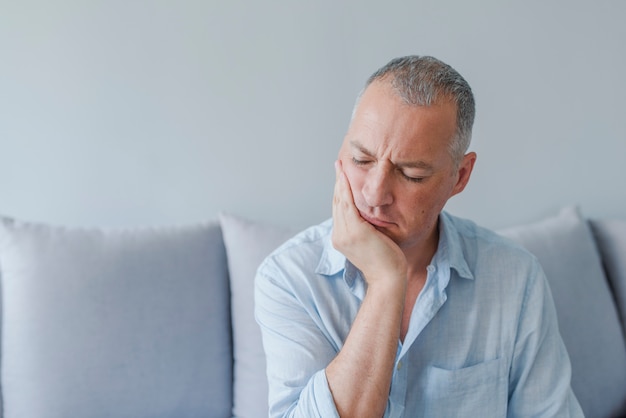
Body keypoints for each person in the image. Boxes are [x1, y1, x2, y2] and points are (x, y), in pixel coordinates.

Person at [255, 55, 583, 417]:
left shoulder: (517, 279)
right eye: (362, 160)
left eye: (411, 174)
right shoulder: (288, 278)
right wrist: (385, 282)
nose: (375, 195)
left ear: (459, 177)